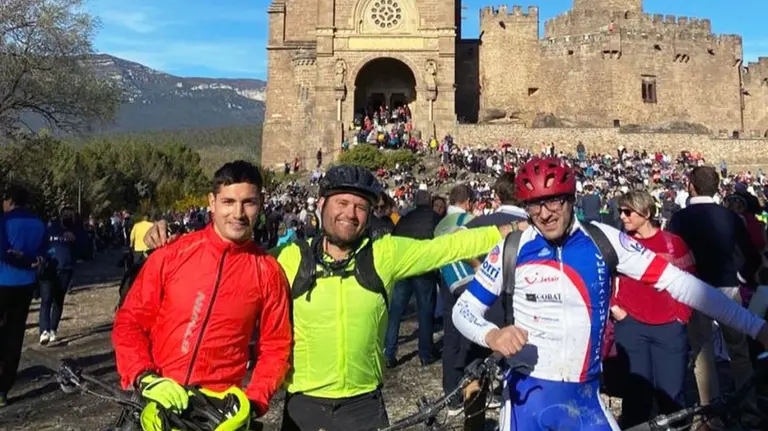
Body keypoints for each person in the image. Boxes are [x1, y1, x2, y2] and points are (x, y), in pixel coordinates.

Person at [143, 164, 514, 431]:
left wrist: (510, 230)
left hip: (364, 405)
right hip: (303, 406)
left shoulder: (384, 254)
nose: (349, 214)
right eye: (341, 203)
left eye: (360, 207)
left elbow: (449, 247)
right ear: (321, 206)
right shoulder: (289, 259)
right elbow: (230, 264)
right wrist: (174, 245)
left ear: (369, 214)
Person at [452, 157, 768, 431]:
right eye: (534, 204)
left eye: (553, 201)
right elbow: (463, 310)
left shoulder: (605, 241)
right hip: (524, 400)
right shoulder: (511, 248)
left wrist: (757, 327)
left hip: (585, 398)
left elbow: (684, 285)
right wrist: (492, 335)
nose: (545, 214)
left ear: (570, 198)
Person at [113, 161, 292, 430]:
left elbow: (276, 347)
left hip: (216, 416)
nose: (238, 213)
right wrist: (144, 376)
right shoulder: (171, 254)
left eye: (248, 202)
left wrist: (252, 402)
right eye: (228, 201)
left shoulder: (268, 272)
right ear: (212, 202)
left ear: (261, 203)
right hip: (154, 401)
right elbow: (130, 322)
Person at [667, 166, 763, 417]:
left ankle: (711, 410)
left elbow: (671, 255)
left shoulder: (679, 219)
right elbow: (751, 255)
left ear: (691, 186)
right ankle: (749, 406)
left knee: (702, 353)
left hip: (695, 289)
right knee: (738, 352)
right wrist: (740, 277)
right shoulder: (730, 217)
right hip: (727, 287)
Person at [609, 190, 695, 428]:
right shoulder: (620, 245)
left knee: (672, 393)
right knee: (636, 395)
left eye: (628, 212)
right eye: (620, 212)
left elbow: (690, 280)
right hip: (631, 325)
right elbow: (605, 278)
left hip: (669, 327)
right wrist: (616, 309)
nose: (623, 217)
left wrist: (681, 316)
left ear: (646, 213)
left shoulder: (672, 243)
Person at [0, 184, 47, 407]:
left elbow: (3, 252)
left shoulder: (4, 221)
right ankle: (3, 389)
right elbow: (44, 253)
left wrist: (21, 258)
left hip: (3, 281)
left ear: (10, 200)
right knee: (15, 334)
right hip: (26, 284)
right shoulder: (38, 223)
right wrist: (31, 260)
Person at [384, 190, 442, 367]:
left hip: (404, 268)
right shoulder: (435, 219)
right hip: (424, 269)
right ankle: (425, 354)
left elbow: (394, 239)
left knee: (395, 312)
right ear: (430, 201)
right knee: (425, 312)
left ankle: (389, 353)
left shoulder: (405, 218)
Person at [40, 205, 88, 345]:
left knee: (58, 300)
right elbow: (41, 243)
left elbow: (86, 250)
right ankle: (44, 331)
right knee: (46, 299)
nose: (67, 218)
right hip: (49, 268)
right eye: (65, 215)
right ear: (60, 215)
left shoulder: (77, 230)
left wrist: (76, 240)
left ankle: (53, 329)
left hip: (66, 269)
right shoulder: (51, 227)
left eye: (70, 216)